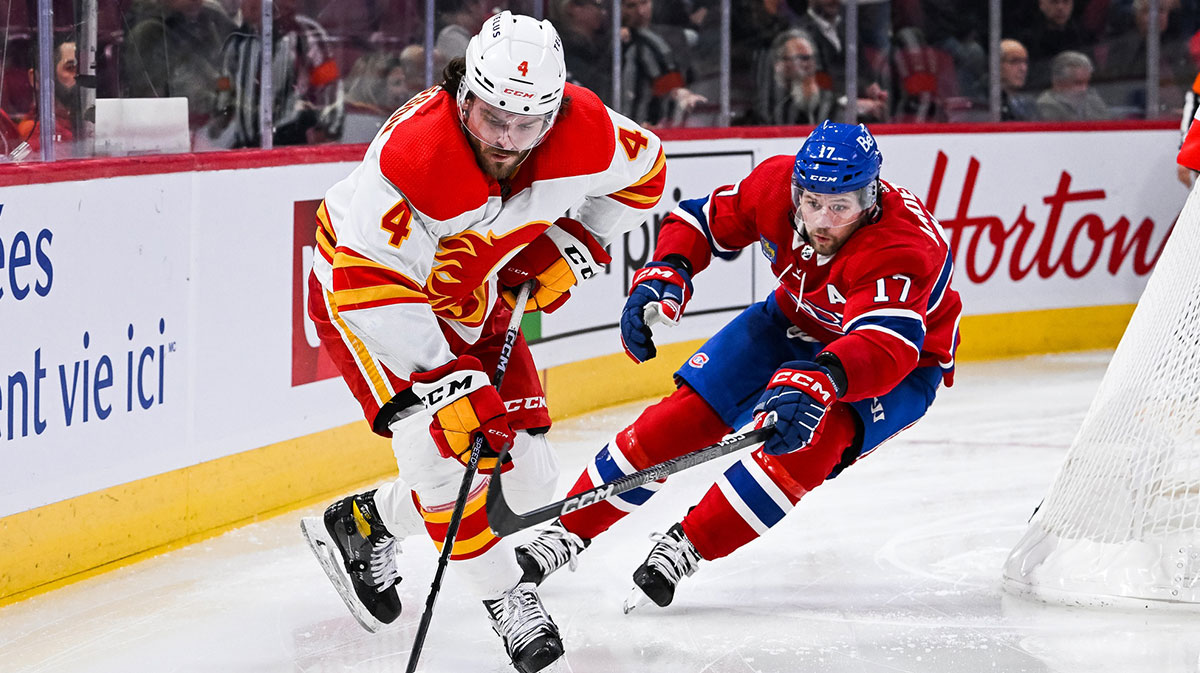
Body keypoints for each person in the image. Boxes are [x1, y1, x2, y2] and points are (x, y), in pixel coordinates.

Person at [299, 11, 665, 673]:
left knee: (528, 483)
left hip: (475, 297)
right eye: (492, 116)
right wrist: (449, 381)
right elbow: (364, 285)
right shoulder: (414, 155)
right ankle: (508, 600)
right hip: (377, 307)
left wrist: (575, 243)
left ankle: (368, 521)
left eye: (528, 124)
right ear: (464, 91)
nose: (507, 138)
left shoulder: (584, 128)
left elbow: (647, 174)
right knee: (446, 467)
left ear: (553, 111)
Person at [512, 120, 962, 614]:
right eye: (812, 203)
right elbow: (700, 221)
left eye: (841, 207)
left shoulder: (900, 245)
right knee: (681, 420)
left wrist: (824, 378)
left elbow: (884, 345)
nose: (823, 221)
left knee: (810, 444)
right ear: (796, 189)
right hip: (792, 316)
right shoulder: (774, 187)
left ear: (870, 197)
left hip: (902, 363)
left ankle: (689, 543)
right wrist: (667, 272)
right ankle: (568, 530)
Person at [203, 0, 344, 148]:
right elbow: (225, 84)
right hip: (248, 146)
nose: (250, 5)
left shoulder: (305, 34)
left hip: (293, 146)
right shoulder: (237, 41)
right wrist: (218, 119)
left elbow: (329, 86)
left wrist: (328, 129)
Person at [121, 0, 236, 131]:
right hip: (176, 133)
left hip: (220, 125)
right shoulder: (149, 33)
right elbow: (184, 97)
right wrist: (232, 106)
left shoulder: (210, 17)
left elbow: (224, 74)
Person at [755, 29, 842, 125]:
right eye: (803, 58)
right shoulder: (770, 107)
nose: (809, 65)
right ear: (781, 64)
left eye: (812, 58)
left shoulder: (832, 105)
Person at [1035, 50, 1111, 121]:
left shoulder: (1093, 100)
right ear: (1057, 82)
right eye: (1078, 83)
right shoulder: (1046, 107)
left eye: (1087, 82)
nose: (1084, 89)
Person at [1000, 38, 1038, 121]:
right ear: (997, 65)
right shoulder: (985, 104)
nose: (1023, 68)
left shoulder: (1029, 104)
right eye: (1014, 61)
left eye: (1025, 62)